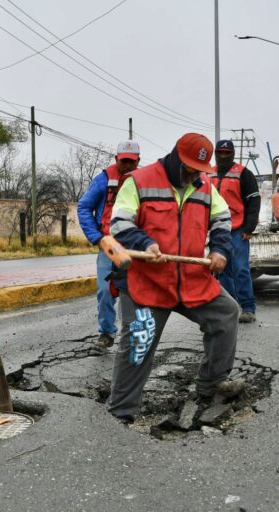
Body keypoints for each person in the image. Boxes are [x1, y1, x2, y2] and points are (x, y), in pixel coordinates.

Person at [106, 133, 244, 422]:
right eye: (191, 167)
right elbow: (119, 224)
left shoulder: (205, 187)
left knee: (227, 313)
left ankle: (211, 383)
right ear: (176, 157)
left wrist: (220, 249)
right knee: (138, 342)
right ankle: (121, 410)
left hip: (192, 280)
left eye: (200, 170)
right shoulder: (139, 182)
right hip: (148, 283)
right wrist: (145, 243)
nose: (195, 174)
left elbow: (221, 220)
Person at [77, 140, 141, 352]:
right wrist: (96, 237)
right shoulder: (104, 179)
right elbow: (84, 207)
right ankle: (106, 333)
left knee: (135, 293)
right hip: (109, 244)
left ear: (138, 161)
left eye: (132, 162)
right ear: (116, 159)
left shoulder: (143, 181)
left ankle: (135, 335)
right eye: (124, 161)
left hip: (135, 245)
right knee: (105, 291)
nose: (128, 166)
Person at [212, 139, 261, 323]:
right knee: (222, 270)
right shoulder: (208, 174)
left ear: (232, 154)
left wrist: (249, 227)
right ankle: (230, 308)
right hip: (217, 231)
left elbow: (254, 201)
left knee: (240, 269)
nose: (223, 156)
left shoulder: (243, 174)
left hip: (238, 230)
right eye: (220, 152)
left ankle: (248, 308)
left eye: (227, 153)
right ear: (216, 153)